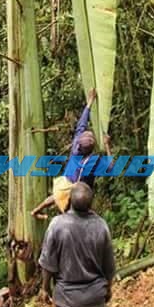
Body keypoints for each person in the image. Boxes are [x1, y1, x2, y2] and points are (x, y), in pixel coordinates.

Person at [39, 182, 116, 307]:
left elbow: (47, 263)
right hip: (95, 292)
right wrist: (108, 289)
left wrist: (45, 288)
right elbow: (109, 266)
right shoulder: (101, 225)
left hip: (68, 296)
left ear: (69, 201)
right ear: (91, 204)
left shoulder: (57, 225)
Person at [31, 89, 105, 219]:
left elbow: (82, 124)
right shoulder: (90, 161)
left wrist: (89, 103)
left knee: (54, 197)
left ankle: (36, 211)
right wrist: (107, 145)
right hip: (72, 191)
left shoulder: (77, 145)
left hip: (63, 183)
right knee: (73, 213)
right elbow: (110, 167)